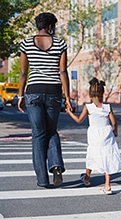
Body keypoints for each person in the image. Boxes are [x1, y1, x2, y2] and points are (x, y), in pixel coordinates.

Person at [18, 12, 72, 188]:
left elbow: (23, 73)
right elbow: (63, 72)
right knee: (51, 131)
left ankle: (42, 179)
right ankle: (56, 167)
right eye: (54, 26)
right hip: (54, 92)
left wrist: (20, 96)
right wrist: (68, 97)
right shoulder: (60, 43)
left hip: (33, 91)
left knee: (38, 134)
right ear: (50, 26)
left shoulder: (26, 44)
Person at [66, 77, 121, 194]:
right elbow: (114, 122)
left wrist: (69, 112)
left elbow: (78, 120)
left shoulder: (88, 107)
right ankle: (107, 185)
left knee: (91, 156)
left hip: (94, 136)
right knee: (108, 157)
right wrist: (115, 131)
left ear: (90, 95)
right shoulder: (107, 107)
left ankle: (87, 178)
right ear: (102, 94)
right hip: (107, 134)